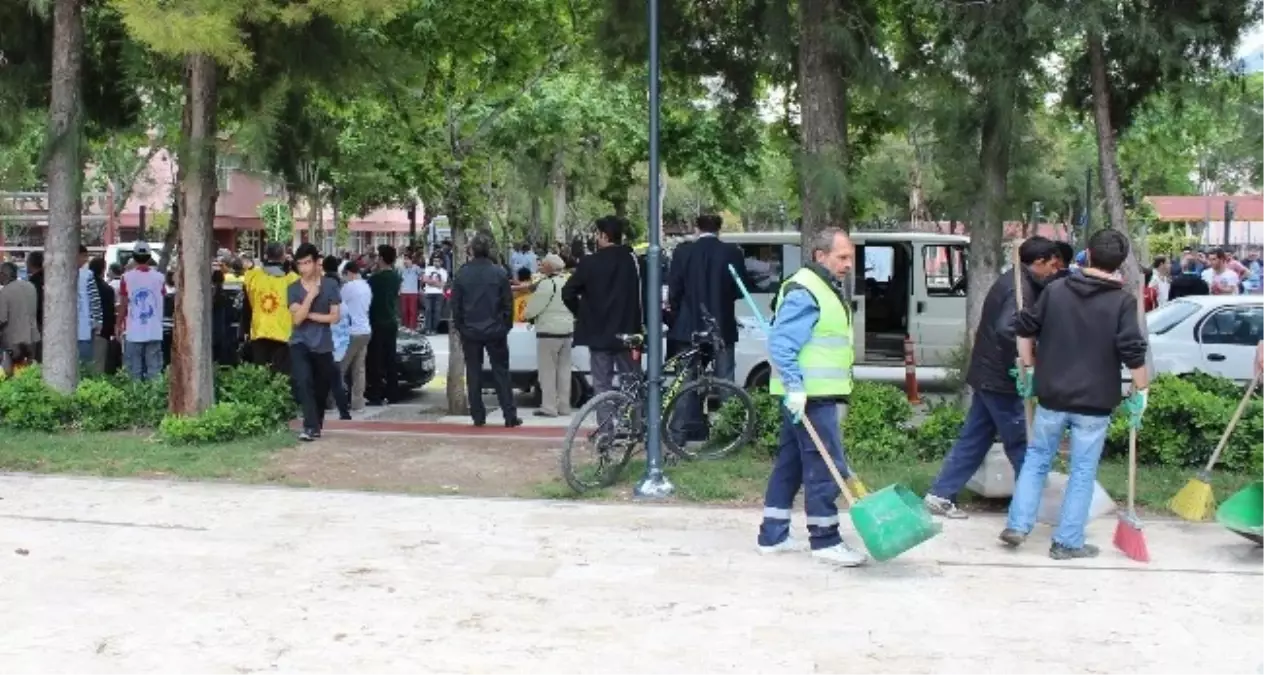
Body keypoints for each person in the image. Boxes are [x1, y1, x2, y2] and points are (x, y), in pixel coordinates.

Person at [1002, 229, 1148, 560]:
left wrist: (1030, 367)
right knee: (1082, 470)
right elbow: (1132, 350)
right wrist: (1142, 389)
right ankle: (1067, 541)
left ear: (1087, 254)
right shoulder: (1122, 302)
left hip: (1052, 393)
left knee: (1037, 459)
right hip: (1094, 403)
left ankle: (1018, 525)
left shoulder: (1055, 290)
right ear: (1119, 264)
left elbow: (1025, 326)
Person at [923, 236, 1062, 518]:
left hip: (989, 374)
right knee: (1023, 443)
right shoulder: (1019, 289)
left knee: (975, 438)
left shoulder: (1017, 281)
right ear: (1038, 262)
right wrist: (1029, 356)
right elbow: (1008, 329)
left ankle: (940, 494)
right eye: (1052, 265)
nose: (1054, 271)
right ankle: (1032, 507)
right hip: (1002, 378)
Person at [757, 228, 867, 567]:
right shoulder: (806, 290)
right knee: (825, 467)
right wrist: (796, 387)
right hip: (810, 396)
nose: (849, 264)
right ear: (821, 256)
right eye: (842, 257)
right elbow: (781, 344)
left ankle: (773, 535)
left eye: (851, 257)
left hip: (808, 394)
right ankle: (825, 540)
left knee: (790, 465)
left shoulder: (820, 286)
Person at [666, 213, 746, 444]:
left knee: (685, 381)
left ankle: (678, 434)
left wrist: (678, 316)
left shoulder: (683, 252)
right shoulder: (733, 253)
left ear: (696, 228)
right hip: (722, 326)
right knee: (726, 381)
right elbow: (740, 288)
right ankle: (728, 435)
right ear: (719, 229)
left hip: (688, 327)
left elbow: (674, 290)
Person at [562, 216, 644, 400]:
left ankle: (606, 427)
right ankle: (634, 425)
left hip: (598, 333)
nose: (596, 239)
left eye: (598, 235)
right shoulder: (635, 262)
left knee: (601, 385)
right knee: (632, 383)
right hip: (628, 332)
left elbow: (568, 293)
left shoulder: (589, 263)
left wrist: (582, 314)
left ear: (605, 236)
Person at [450, 232, 521, 428]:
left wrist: (461, 327)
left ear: (472, 251)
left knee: (474, 373)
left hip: (471, 331)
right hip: (495, 330)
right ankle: (509, 415)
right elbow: (508, 304)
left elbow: (456, 305)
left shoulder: (463, 273)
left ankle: (478, 416)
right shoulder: (498, 273)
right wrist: (505, 326)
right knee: (501, 373)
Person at [288, 244, 342, 442]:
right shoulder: (293, 288)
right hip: (299, 342)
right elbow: (297, 320)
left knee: (321, 388)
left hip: (323, 344)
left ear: (316, 262)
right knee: (304, 382)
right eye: (300, 264)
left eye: (307, 263)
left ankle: (315, 425)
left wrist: (308, 313)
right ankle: (310, 427)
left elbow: (334, 317)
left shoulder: (330, 285)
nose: (304, 268)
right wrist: (310, 296)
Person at [524, 253, 574, 417]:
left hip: (548, 332)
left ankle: (549, 407)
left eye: (543, 264)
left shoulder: (547, 284)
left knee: (547, 371)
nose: (540, 266)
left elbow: (533, 309)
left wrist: (527, 316)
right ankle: (564, 406)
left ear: (549, 268)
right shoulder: (568, 282)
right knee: (565, 370)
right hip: (567, 332)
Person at [243, 243, 299, 375]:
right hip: (283, 335)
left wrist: (245, 331)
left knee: (260, 377)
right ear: (284, 257)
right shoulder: (293, 280)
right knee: (281, 378)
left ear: (266, 255)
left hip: (259, 332)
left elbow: (246, 308)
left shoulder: (253, 277)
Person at [117, 242, 165, 381]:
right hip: (154, 330)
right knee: (154, 372)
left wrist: (118, 324)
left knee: (133, 372)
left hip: (134, 331)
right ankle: (154, 399)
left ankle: (135, 399)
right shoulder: (160, 278)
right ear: (149, 257)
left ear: (134, 257)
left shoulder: (126, 278)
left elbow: (123, 304)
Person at [365, 245, 402, 405]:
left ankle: (376, 393)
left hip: (377, 321)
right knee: (390, 358)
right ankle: (393, 393)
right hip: (391, 320)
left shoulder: (375, 279)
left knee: (375, 360)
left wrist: (371, 269)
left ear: (381, 258)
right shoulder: (396, 277)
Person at [339, 260, 373, 411]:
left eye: (345, 275)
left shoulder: (348, 287)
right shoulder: (366, 286)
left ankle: (335, 400)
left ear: (349, 273)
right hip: (365, 330)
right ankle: (358, 402)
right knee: (359, 369)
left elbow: (338, 304)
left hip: (350, 332)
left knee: (340, 368)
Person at [0, 261, 40, 371]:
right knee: (28, 371)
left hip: (13, 341)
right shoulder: (30, 286)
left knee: (9, 372)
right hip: (32, 338)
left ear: (3, 274)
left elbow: (2, 319)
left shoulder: (5, 291)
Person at [88, 257, 117, 375]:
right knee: (98, 365)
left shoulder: (85, 286)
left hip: (84, 330)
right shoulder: (107, 289)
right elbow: (110, 312)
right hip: (102, 331)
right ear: (103, 270)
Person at [77, 245, 103, 368]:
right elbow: (95, 300)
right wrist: (98, 321)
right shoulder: (87, 275)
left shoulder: (59, 275)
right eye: (84, 256)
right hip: (84, 327)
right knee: (84, 364)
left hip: (66, 329)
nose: (86, 260)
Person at [421, 253, 448, 335]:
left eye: (438, 261)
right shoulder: (428, 269)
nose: (435, 263)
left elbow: (442, 285)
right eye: (434, 261)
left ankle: (434, 329)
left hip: (439, 294)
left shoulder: (444, 272)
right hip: (428, 293)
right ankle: (427, 329)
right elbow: (425, 280)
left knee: (437, 312)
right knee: (428, 310)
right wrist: (436, 282)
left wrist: (431, 282)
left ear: (441, 262)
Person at [399, 254, 422, 330]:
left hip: (413, 292)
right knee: (404, 311)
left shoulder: (416, 268)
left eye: (407, 259)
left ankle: (412, 327)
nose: (405, 261)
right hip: (403, 292)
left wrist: (420, 288)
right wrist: (399, 289)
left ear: (411, 260)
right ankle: (405, 326)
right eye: (404, 259)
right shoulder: (401, 269)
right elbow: (399, 280)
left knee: (412, 310)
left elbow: (421, 278)